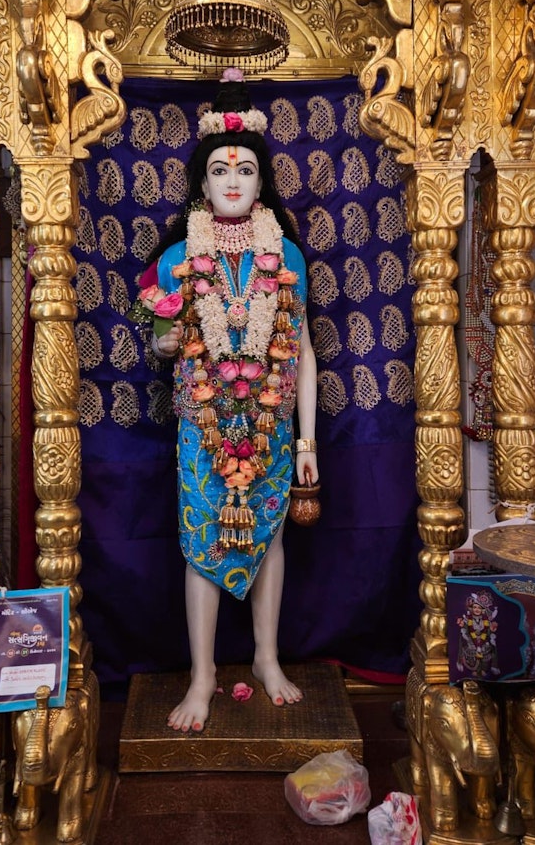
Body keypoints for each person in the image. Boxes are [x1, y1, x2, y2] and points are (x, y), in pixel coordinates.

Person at [138, 70, 318, 733]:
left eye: (245, 170)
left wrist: (306, 441)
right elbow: (160, 344)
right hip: (203, 424)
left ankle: (267, 659)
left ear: (261, 181)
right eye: (220, 170)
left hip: (270, 424)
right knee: (201, 543)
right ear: (203, 183)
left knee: (269, 538)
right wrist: (166, 333)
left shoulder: (288, 255)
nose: (233, 181)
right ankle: (203, 676)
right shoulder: (178, 258)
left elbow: (302, 353)